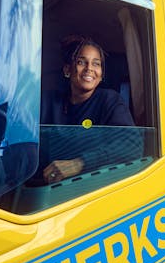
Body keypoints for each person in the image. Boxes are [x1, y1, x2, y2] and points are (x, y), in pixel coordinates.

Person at [37, 35, 140, 184]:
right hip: (44, 188)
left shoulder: (110, 100)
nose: (89, 68)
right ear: (67, 70)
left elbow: (132, 145)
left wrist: (80, 163)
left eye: (96, 64)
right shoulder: (48, 101)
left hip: (92, 188)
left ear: (101, 74)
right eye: (81, 62)